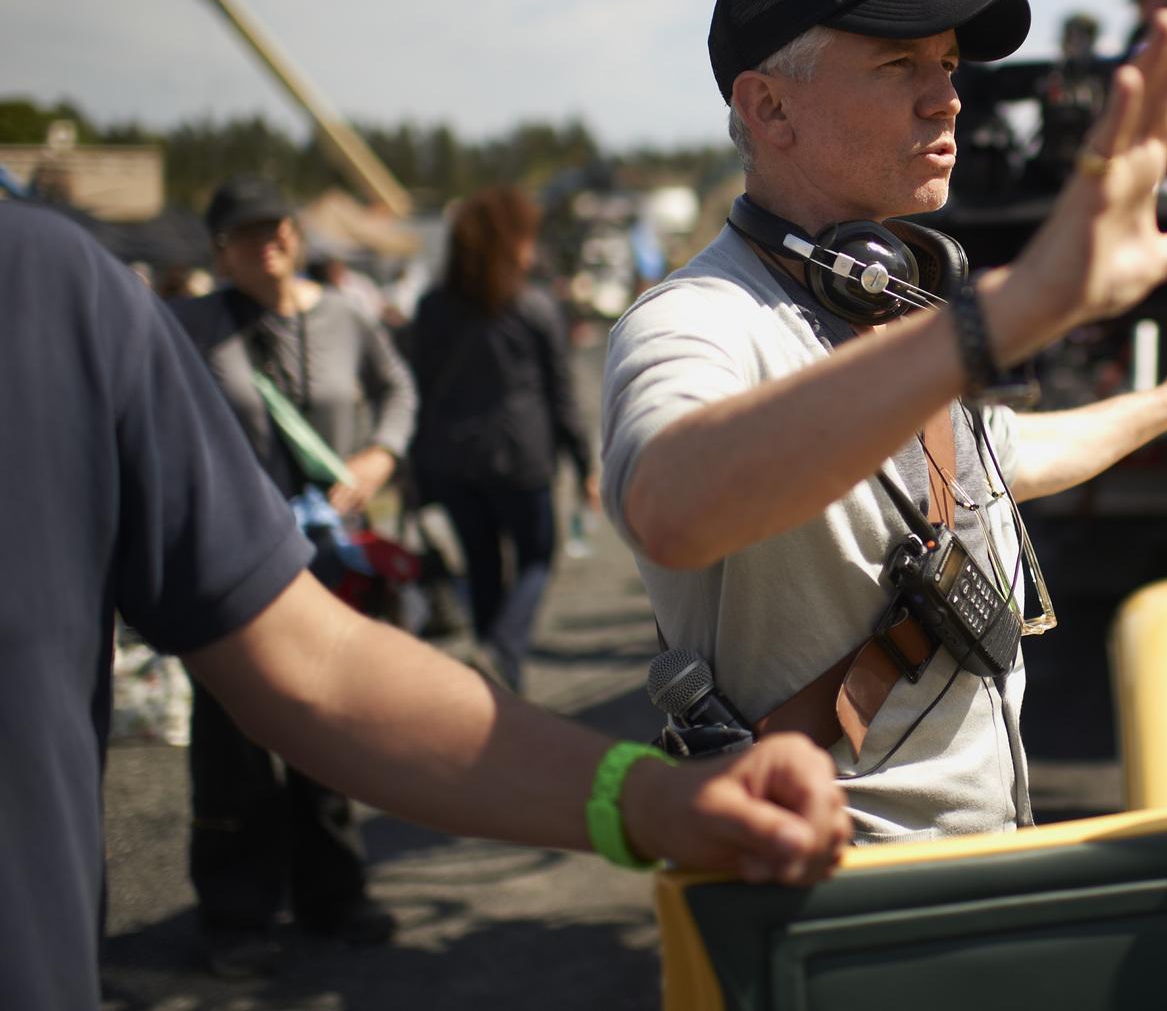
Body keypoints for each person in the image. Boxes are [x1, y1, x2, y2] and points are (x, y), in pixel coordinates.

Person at [0, 198, 849, 1011]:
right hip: (425, 493)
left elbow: (319, 666)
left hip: (400, 516)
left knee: (516, 583)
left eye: (276, 230)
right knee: (233, 763)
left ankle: (361, 853)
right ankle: (243, 913)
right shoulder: (172, 319)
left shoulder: (51, 287)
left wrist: (653, 800)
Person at [603, 0, 1167, 843]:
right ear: (769, 108)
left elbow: (1008, 453)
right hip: (828, 896)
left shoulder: (885, 306)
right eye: (896, 66)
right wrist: (1009, 309)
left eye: (949, 66)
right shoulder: (695, 320)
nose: (947, 99)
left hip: (974, 867)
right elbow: (667, 504)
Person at [169, 176, 421, 974]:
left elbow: (398, 390)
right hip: (228, 565)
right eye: (245, 232)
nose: (266, 240)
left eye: (276, 224)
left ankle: (333, 894)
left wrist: (380, 455)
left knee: (331, 722)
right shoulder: (190, 327)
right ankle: (235, 915)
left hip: (333, 561)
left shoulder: (346, 312)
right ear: (219, 250)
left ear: (296, 232)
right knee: (233, 741)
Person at [409, 185, 596, 690]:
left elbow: (419, 392)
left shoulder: (431, 307)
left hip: (451, 461)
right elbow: (561, 395)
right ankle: (501, 654)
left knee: (483, 570)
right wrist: (585, 465)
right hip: (521, 457)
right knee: (538, 556)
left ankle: (494, 688)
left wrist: (416, 474)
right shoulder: (533, 306)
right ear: (510, 241)